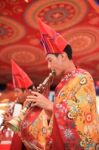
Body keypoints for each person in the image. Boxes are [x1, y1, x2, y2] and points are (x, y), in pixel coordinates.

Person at [20, 20, 99, 150]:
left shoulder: (82, 77)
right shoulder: (61, 85)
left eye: (50, 60)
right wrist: (40, 108)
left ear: (62, 56)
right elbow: (59, 120)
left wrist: (48, 104)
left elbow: (82, 115)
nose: (49, 66)